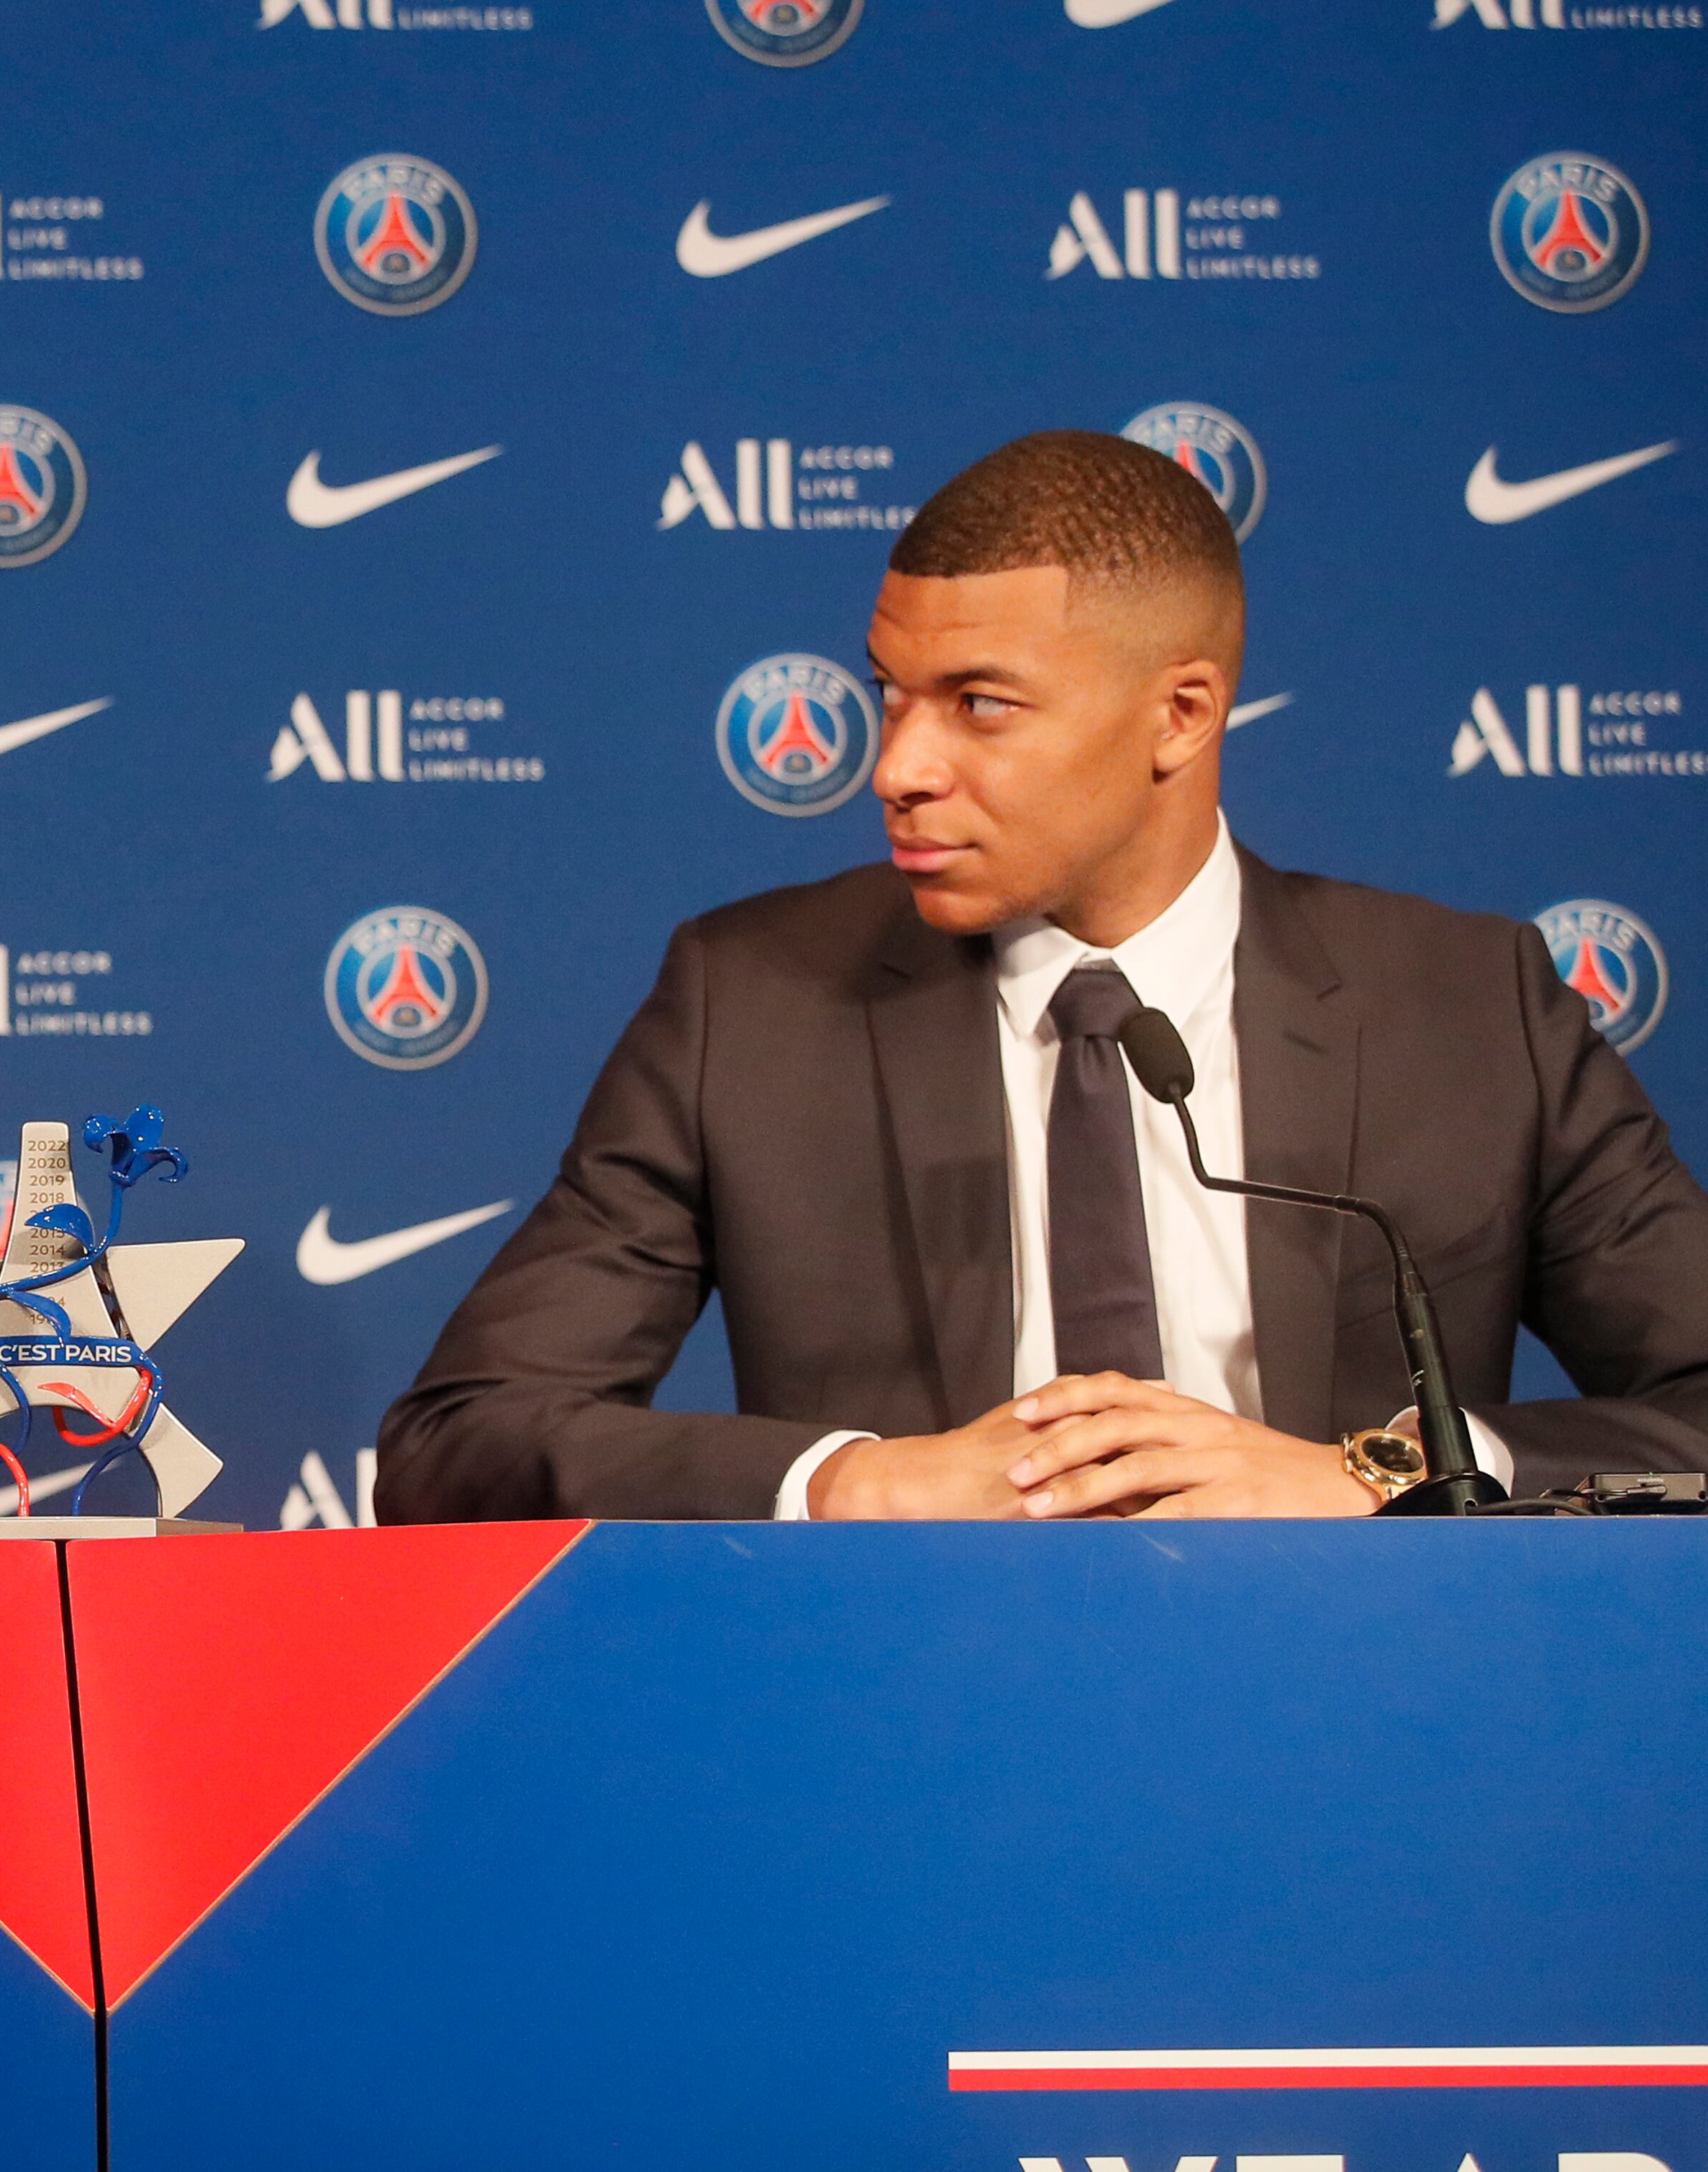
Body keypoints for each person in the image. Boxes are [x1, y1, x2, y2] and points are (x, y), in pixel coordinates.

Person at [378, 428, 1708, 1522]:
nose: (897, 765)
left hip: (1357, 1723)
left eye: (979, 704)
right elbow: (457, 1443)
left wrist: (1377, 1471)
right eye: (889, 694)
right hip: (913, 1731)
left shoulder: (1474, 1007)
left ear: (1179, 716)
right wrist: (860, 1480)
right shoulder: (750, 1004)